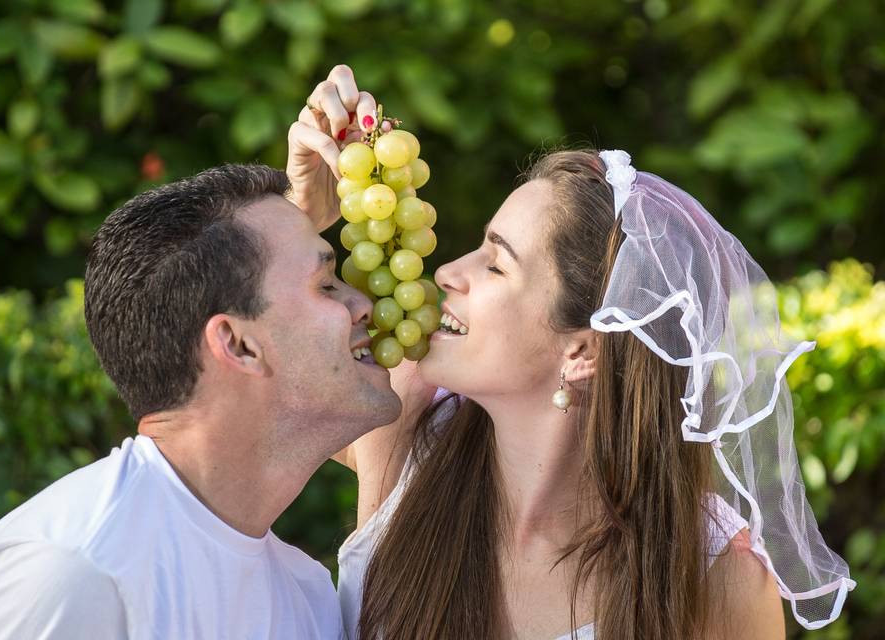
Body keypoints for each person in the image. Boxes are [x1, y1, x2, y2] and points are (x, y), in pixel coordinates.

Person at [289, 66, 855, 639]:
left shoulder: (714, 578)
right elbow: (231, 386)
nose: (450, 274)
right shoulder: (406, 424)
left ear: (582, 350)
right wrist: (300, 222)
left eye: (495, 263)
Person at [0, 162, 402, 638]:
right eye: (326, 285)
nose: (364, 305)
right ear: (239, 345)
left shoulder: (307, 595)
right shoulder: (74, 574)